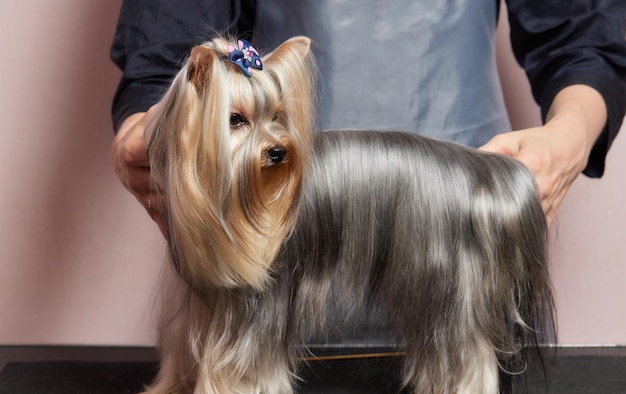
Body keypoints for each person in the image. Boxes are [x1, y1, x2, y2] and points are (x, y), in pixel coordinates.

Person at [111, 0, 626, 233]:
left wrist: (568, 138)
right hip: (274, 252)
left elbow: (585, 38)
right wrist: (144, 134)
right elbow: (168, 51)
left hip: (462, 220)